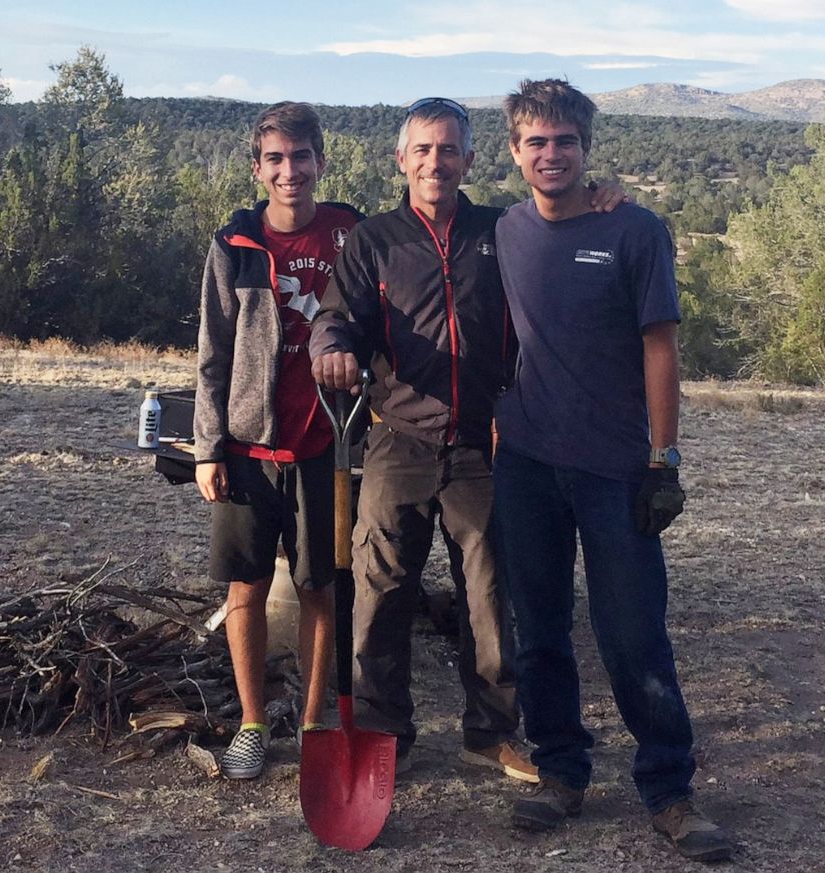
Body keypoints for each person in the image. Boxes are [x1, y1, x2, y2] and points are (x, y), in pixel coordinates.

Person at [309, 97, 622, 781]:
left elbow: (559, 226)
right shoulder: (375, 241)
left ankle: (489, 731)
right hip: (398, 440)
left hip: (485, 444)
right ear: (401, 159)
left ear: (471, 160)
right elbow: (336, 318)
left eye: (449, 150)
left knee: (490, 593)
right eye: (422, 150)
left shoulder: (502, 230)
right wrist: (329, 346)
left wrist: (602, 195)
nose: (435, 162)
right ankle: (385, 731)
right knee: (381, 591)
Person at [492, 79, 733, 862]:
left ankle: (669, 789)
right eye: (537, 140)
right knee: (541, 631)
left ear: (586, 149)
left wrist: (664, 457)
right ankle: (561, 773)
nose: (551, 153)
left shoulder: (636, 230)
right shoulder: (506, 233)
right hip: (525, 461)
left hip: (615, 465)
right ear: (515, 150)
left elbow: (660, 347)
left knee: (632, 633)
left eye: (565, 140)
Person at [192, 101, 362, 779]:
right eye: (275, 158)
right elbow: (212, 354)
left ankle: (316, 719)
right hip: (248, 450)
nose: (289, 170)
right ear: (257, 167)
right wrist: (208, 447)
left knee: (322, 586)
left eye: (301, 156)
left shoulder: (353, 234)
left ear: (321, 160)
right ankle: (254, 721)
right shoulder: (234, 246)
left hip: (329, 446)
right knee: (247, 587)